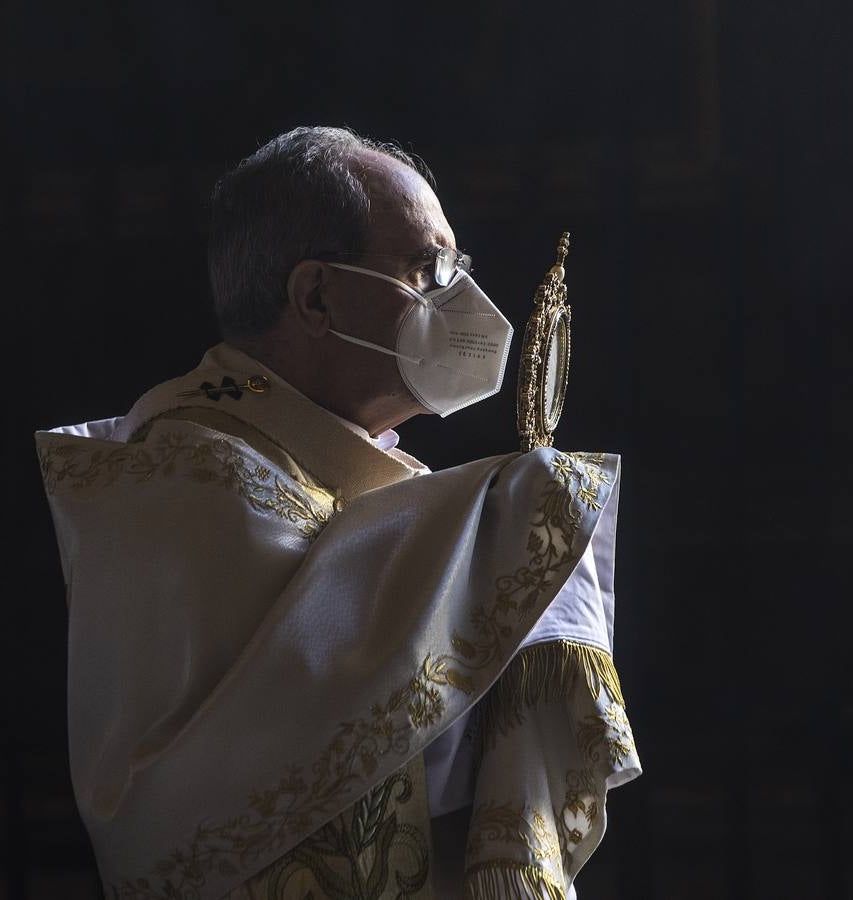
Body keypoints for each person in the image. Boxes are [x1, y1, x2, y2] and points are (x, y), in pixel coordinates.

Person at [36, 126, 640, 899]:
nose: (460, 299)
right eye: (428, 268)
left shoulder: (355, 473)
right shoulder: (184, 476)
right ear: (316, 296)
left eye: (457, 268)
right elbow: (303, 720)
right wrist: (499, 534)